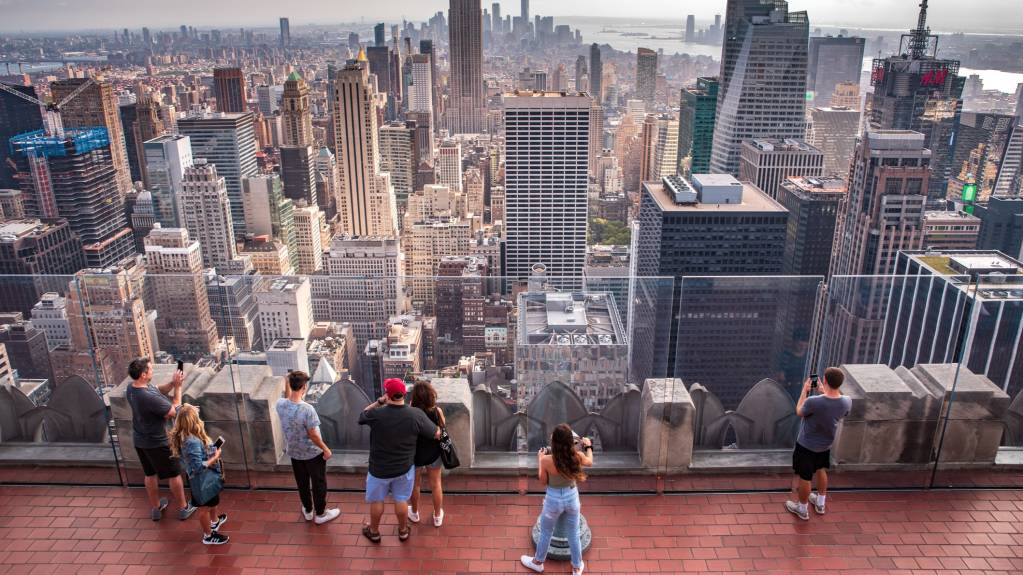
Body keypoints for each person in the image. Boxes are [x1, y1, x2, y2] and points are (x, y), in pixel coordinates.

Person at [357, 378, 441, 543]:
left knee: (377, 500)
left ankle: (374, 531)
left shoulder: (377, 414)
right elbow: (436, 433)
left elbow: (361, 416)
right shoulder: (415, 414)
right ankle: (403, 530)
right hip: (404, 467)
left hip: (378, 468)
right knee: (401, 499)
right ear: (404, 393)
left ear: (387, 394)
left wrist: (378, 402)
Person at [124, 357, 196, 522]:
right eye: (150, 369)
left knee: (150, 473)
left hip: (140, 440)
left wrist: (172, 383)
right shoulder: (148, 398)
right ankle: (184, 508)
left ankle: (156, 507)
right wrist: (178, 387)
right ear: (143, 374)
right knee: (174, 473)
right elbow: (175, 410)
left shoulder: (132, 388)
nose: (152, 370)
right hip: (158, 442)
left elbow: (156, 389)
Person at [520, 423, 593, 575]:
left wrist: (540, 460)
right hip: (571, 496)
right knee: (573, 533)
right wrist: (588, 446)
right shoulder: (576, 456)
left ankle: (538, 562)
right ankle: (577, 567)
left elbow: (542, 481)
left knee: (546, 531)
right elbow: (590, 462)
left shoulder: (547, 460)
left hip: (553, 499)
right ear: (570, 442)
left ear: (554, 443)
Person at [785, 367, 852, 521]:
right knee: (821, 469)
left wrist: (804, 391)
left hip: (807, 444)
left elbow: (799, 412)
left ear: (826, 381)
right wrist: (825, 391)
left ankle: (802, 509)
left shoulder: (813, 401)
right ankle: (820, 503)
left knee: (805, 476)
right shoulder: (847, 401)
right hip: (826, 444)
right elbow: (836, 405)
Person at [276, 370, 340, 524]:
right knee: (318, 482)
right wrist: (325, 448)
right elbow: (313, 434)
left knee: (302, 482)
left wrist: (287, 381)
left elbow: (286, 398)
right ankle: (321, 514)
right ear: (304, 387)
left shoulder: (281, 404)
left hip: (294, 451)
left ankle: (308, 510)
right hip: (312, 453)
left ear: (291, 385)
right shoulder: (307, 409)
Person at [169, 404, 229, 544]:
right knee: (204, 508)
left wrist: (210, 451)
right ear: (192, 421)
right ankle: (208, 536)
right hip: (200, 480)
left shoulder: (185, 435)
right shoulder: (192, 441)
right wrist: (215, 456)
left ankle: (214, 522)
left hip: (201, 478)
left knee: (212, 501)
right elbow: (197, 467)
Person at [408, 380, 445, 527]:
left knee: (415, 485)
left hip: (415, 454)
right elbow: (442, 430)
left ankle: (415, 513)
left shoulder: (411, 413)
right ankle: (437, 516)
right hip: (433, 453)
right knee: (436, 484)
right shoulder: (437, 411)